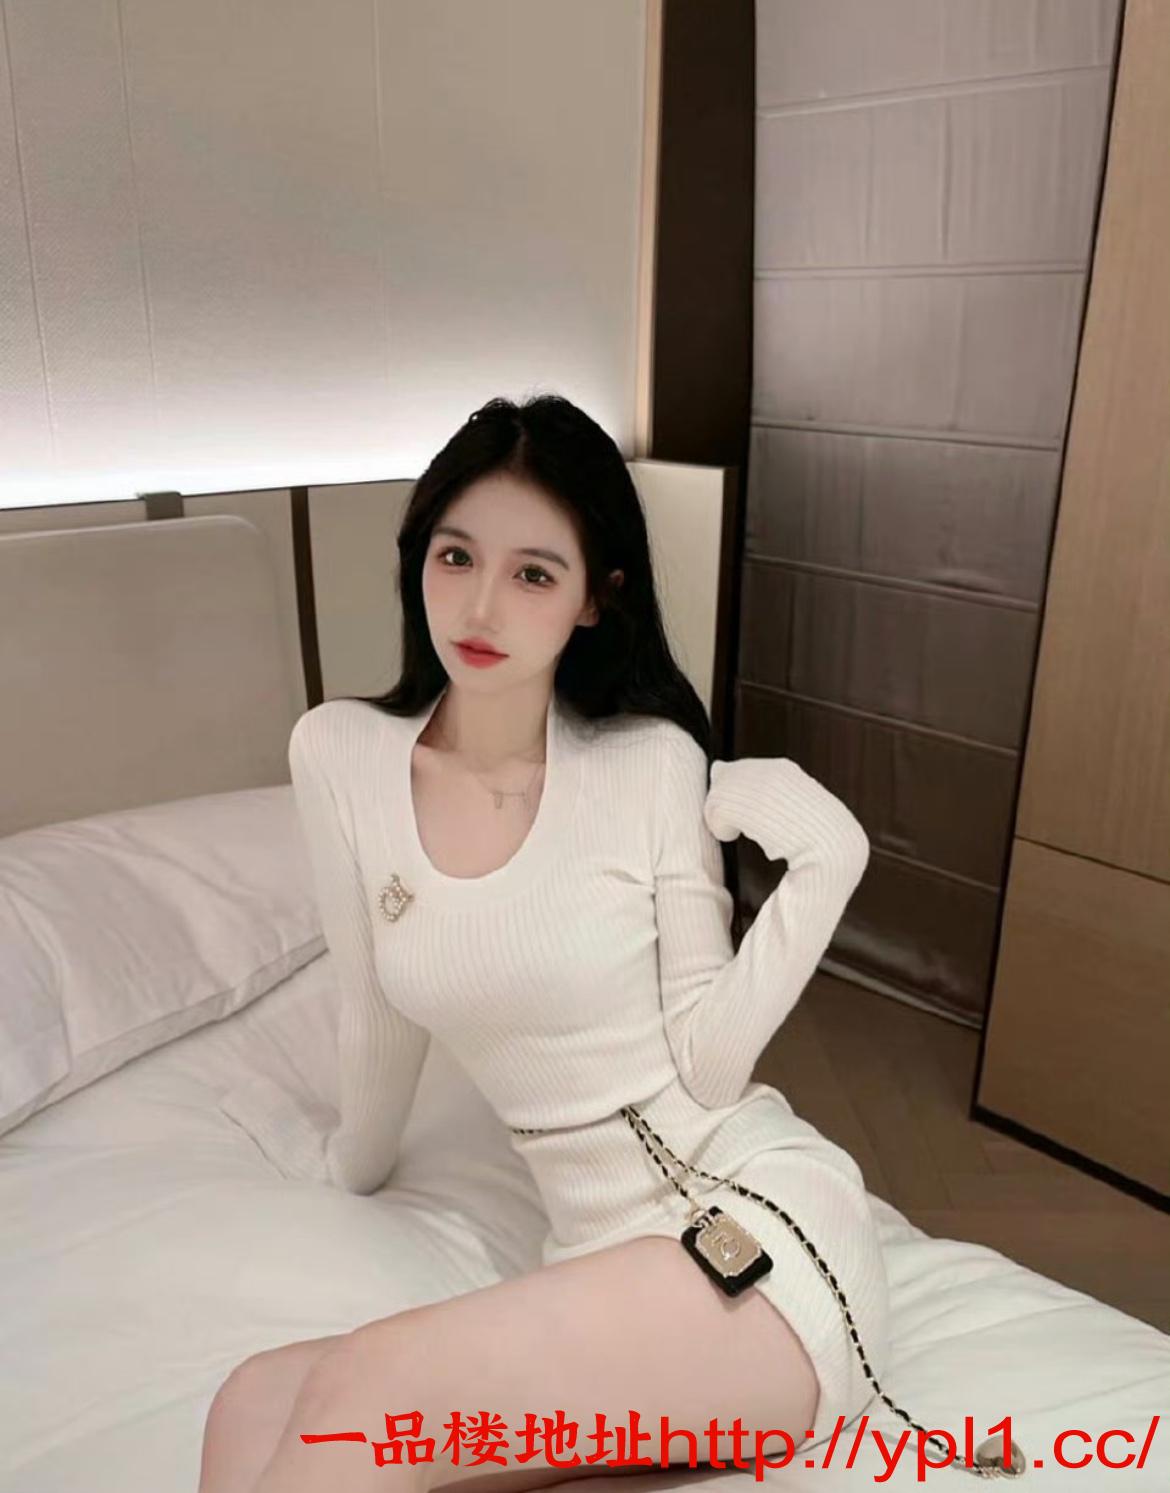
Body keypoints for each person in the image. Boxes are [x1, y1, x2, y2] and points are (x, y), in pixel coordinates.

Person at [202, 393, 891, 1493]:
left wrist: (827, 865)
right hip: (598, 1262)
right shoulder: (339, 753)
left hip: (755, 1233)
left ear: (593, 597)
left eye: (533, 573)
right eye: (456, 556)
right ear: (417, 559)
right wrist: (348, 1165)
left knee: (369, 1388)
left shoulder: (649, 762)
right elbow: (375, 1005)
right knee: (254, 1396)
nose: (480, 604)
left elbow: (710, 1065)